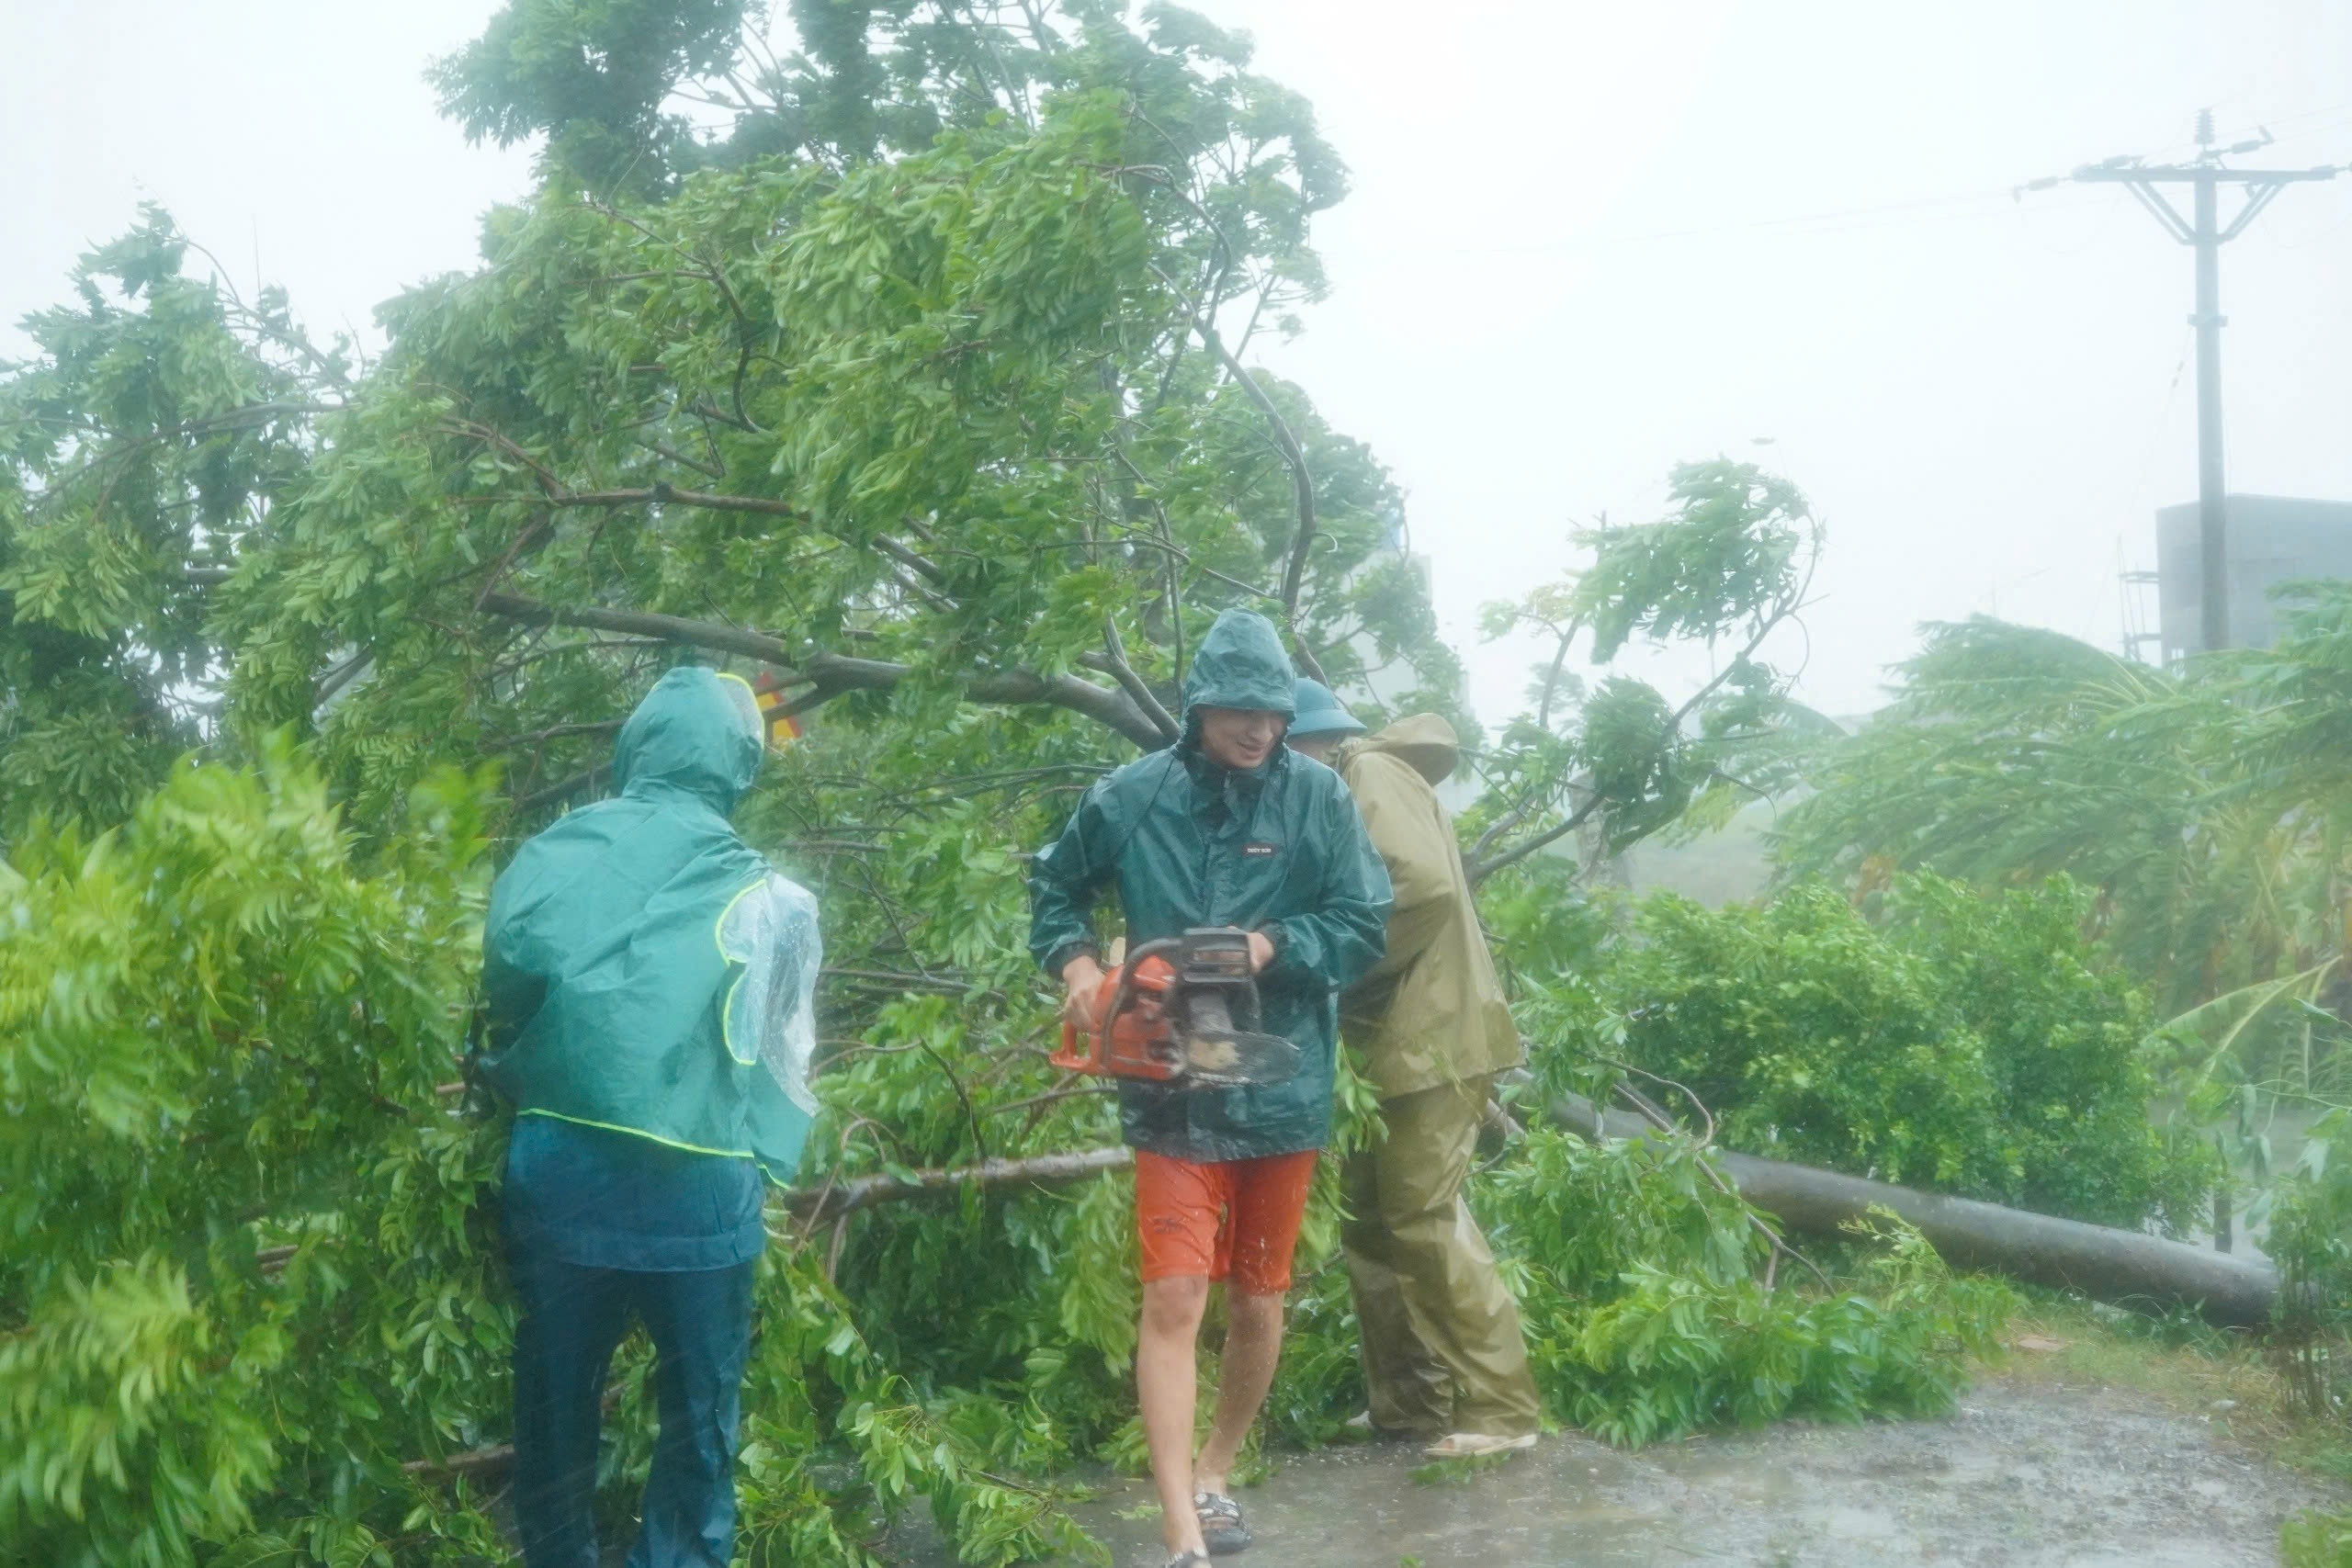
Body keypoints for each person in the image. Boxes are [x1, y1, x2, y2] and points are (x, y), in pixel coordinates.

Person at [1029, 611, 1390, 1567]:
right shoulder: (1133, 796)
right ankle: (1181, 1531)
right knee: (1176, 1296)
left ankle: (1217, 1469)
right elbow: (1052, 886)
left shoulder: (1318, 799)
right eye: (1240, 711)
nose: (1258, 729)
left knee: (1259, 1295)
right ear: (1200, 707)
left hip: (1282, 1077)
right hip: (1169, 1085)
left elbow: (1363, 919)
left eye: (1273, 713)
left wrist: (1275, 944)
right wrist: (1076, 974)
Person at [479, 666, 822, 1568]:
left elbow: (504, 993)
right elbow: (783, 1055)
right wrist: (767, 1169)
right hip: (702, 1197)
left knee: (554, 1412)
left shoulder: (551, 854)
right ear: (737, 765)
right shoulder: (773, 899)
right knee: (698, 1423)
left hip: (563, 1175)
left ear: (637, 745)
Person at [1285, 680, 1542, 1461]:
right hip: (1388, 1045)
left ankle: (1503, 1410)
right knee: (1370, 1220)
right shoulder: (1346, 784)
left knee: (1422, 1213)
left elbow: (1420, 886)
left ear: (1307, 740)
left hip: (1437, 1037)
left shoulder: (1363, 773)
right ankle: (1410, 1403)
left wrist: (1338, 965)